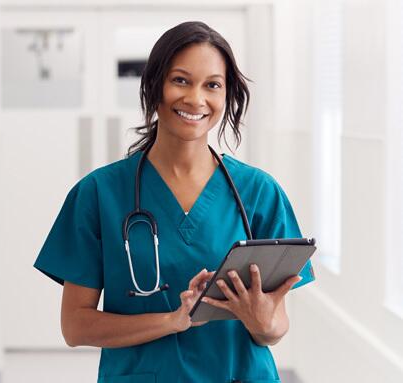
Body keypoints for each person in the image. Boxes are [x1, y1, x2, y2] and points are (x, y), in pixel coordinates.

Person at [34, 21, 314, 383]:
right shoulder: (98, 194)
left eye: (212, 85)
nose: (196, 99)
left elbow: (274, 329)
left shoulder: (259, 193)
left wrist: (262, 319)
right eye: (180, 80)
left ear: (226, 95)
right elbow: (75, 326)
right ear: (154, 86)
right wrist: (172, 320)